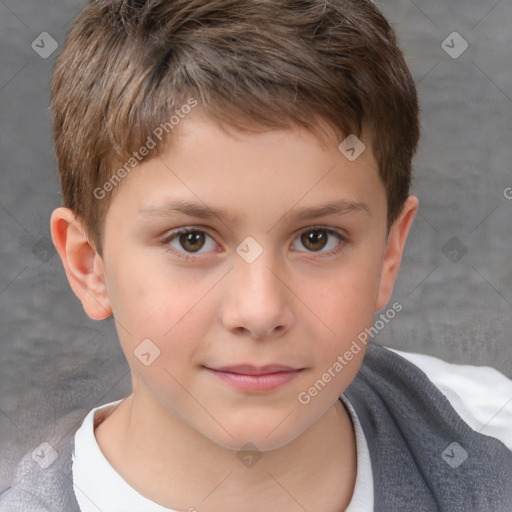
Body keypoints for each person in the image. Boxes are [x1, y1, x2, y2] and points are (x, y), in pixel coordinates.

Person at [1, 0, 511, 510]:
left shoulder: (493, 428)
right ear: (89, 266)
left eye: (317, 239)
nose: (260, 311)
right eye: (191, 240)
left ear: (387, 255)